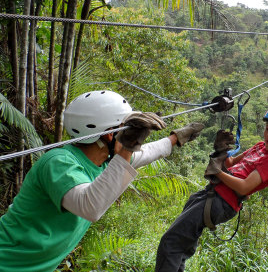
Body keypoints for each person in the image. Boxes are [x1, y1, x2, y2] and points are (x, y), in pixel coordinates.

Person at [0, 90, 204, 272]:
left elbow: (148, 152)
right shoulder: (59, 162)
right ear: (109, 135)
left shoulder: (106, 162)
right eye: (127, 129)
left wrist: (176, 138)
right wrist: (126, 149)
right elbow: (89, 205)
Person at [155, 106, 268, 272]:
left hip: (222, 202)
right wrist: (222, 151)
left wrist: (217, 172)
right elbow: (230, 164)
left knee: (171, 241)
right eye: (267, 129)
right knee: (181, 244)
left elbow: (244, 187)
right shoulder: (260, 146)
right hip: (212, 193)